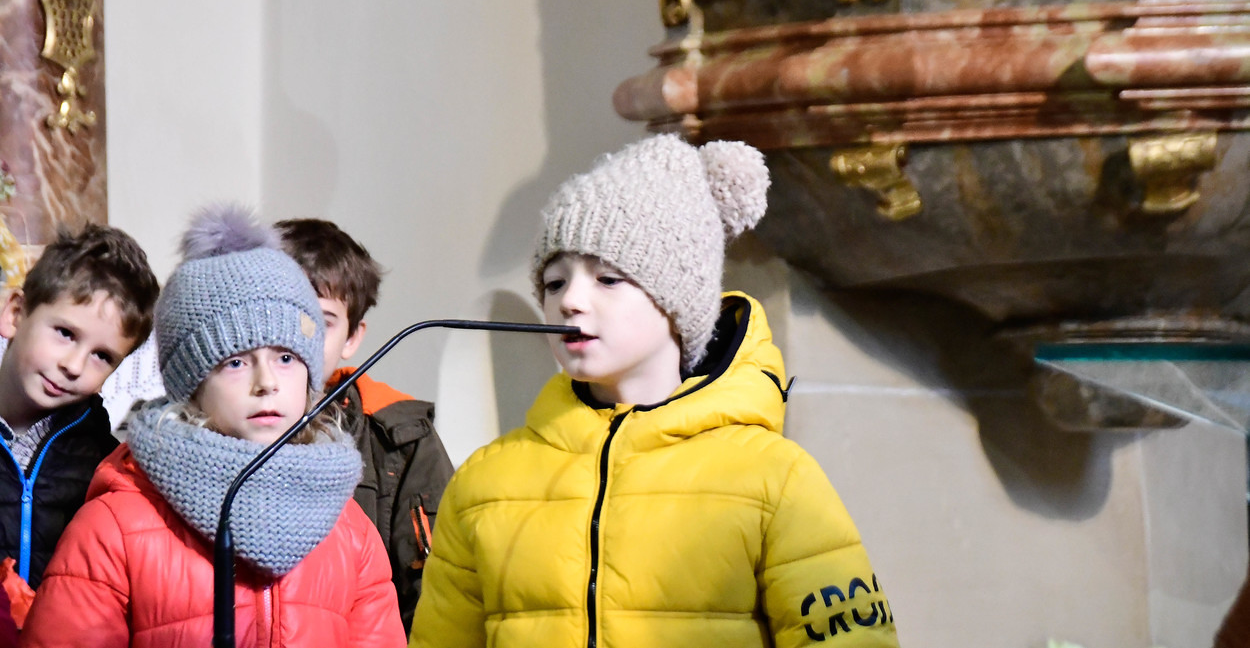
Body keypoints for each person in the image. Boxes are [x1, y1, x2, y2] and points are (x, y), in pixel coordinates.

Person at [411, 135, 900, 648]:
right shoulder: (482, 484)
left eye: (607, 278)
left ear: (676, 299)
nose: (571, 301)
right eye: (554, 283)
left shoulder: (774, 478)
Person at [21, 205, 407, 647]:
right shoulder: (115, 527)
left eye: (285, 357)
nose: (267, 383)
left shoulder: (350, 531)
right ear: (192, 383)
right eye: (235, 362)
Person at [276, 218, 454, 631]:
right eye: (282, 312)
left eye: (322, 321)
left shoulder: (401, 439)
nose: (298, 336)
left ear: (353, 337)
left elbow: (434, 601)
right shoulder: (211, 426)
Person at [0, 224, 158, 595]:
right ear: (16, 313)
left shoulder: (109, 468)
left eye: (101, 356)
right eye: (66, 333)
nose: (73, 365)